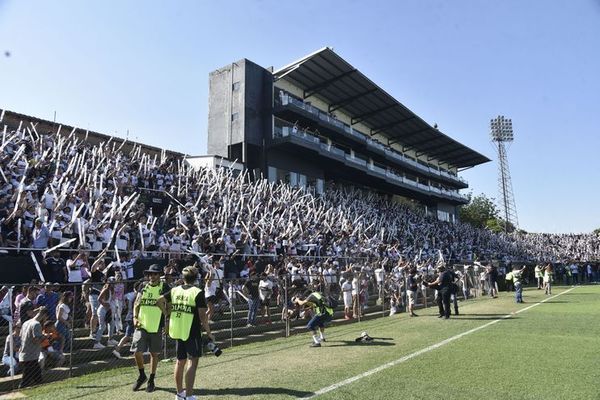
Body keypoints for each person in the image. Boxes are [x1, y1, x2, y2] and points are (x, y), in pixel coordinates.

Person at [157, 266, 213, 400]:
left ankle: (179, 393)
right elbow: (202, 317)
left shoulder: (175, 290)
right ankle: (189, 395)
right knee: (192, 362)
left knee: (179, 361)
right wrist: (209, 332)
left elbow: (159, 301)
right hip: (191, 331)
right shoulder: (197, 292)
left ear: (183, 278)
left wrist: (167, 315)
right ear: (196, 277)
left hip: (177, 329)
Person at [131, 264, 168, 392]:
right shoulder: (143, 286)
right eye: (150, 274)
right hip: (141, 325)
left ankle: (151, 379)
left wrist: (167, 320)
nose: (152, 276)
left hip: (157, 326)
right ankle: (142, 375)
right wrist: (135, 318)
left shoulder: (164, 287)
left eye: (155, 274)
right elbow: (136, 303)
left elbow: (169, 306)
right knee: (136, 352)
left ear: (159, 275)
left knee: (154, 354)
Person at [19, 306, 49, 388]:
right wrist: (45, 337)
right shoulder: (37, 324)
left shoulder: (26, 322)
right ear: (44, 315)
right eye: (46, 318)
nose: (46, 320)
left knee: (37, 378)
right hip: (31, 356)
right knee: (25, 382)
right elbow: (36, 340)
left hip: (25, 354)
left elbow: (21, 336)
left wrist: (41, 336)